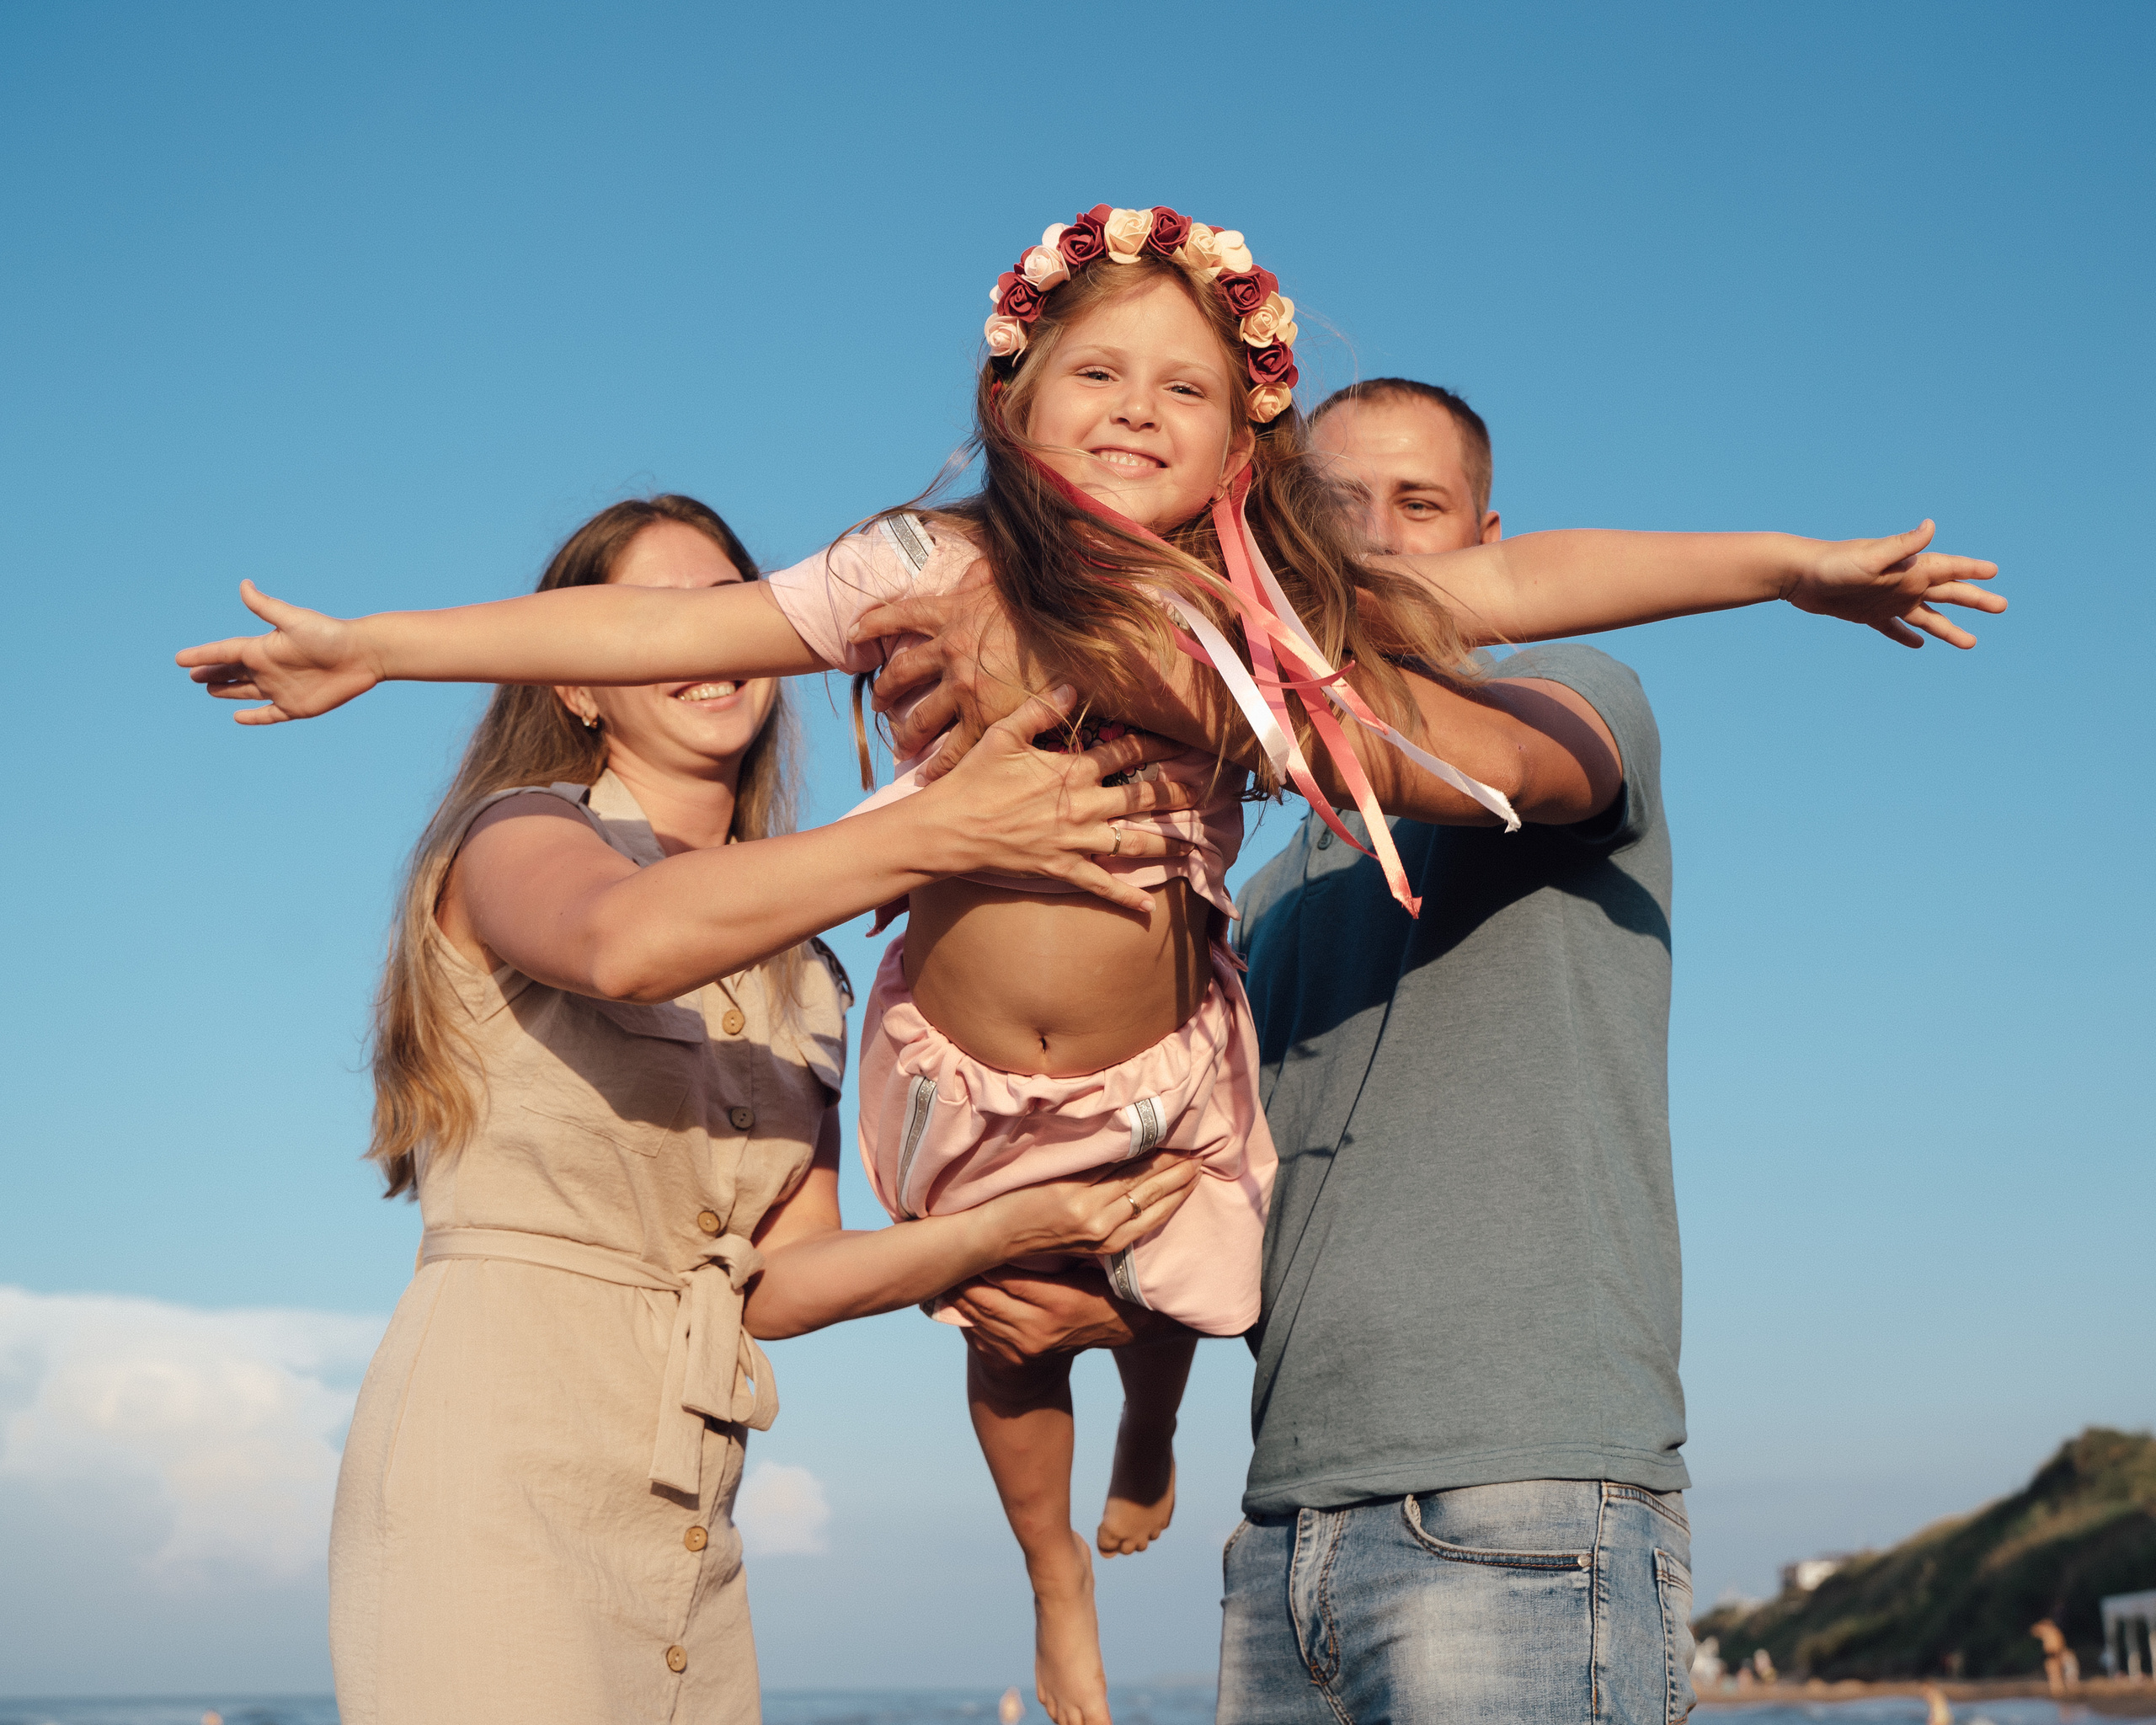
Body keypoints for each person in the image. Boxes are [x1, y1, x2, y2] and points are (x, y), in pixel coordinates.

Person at [177, 206, 2001, 1725]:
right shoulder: (921, 565)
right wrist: (387, 641)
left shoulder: (1263, 609)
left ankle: (1146, 1446)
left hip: (1158, 1066)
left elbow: (1534, 593)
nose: (1138, 407)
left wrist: (1780, 564)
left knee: (1152, 1298)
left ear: (1239, 444)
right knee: (1007, 1349)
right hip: (960, 1072)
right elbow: (675, 620)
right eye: (1098, 371)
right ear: (1014, 397)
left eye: (1187, 386)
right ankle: (1056, 1592)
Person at [852, 377, 2002, 1725]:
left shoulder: (1578, 696)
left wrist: (1051, 649)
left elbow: (1473, 755)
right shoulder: (1261, 906)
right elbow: (1228, 1205)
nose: (1383, 541)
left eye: (1421, 506)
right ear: (1282, 536)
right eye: (1338, 512)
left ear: (1488, 536)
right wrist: (1076, 1304)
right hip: (1282, 1526)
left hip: (1524, 1501)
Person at [316, 494, 1201, 1725]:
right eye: (655, 619)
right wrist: (944, 829)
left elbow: (781, 1285)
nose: (710, 640)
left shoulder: (811, 978)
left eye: (732, 607)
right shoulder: (515, 837)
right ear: (580, 682)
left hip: (689, 1509)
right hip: (490, 1460)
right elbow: (621, 944)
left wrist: (1007, 1231)